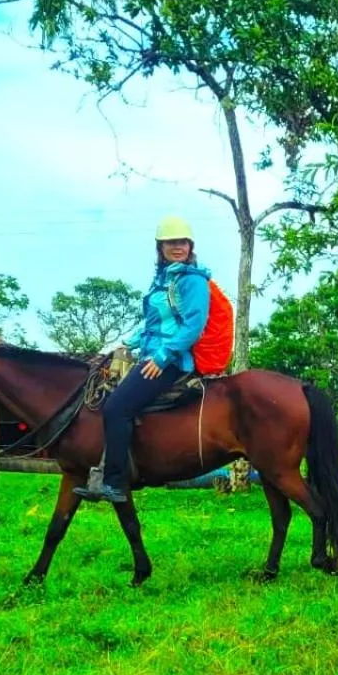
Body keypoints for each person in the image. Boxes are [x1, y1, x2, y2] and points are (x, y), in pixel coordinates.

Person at [73, 215, 210, 503]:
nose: (177, 247)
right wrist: (125, 344)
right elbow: (151, 324)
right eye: (171, 242)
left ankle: (113, 482)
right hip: (150, 354)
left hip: (170, 360)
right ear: (160, 247)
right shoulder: (163, 280)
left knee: (116, 408)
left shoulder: (192, 282)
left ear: (190, 246)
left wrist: (162, 357)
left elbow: (193, 326)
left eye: (182, 242)